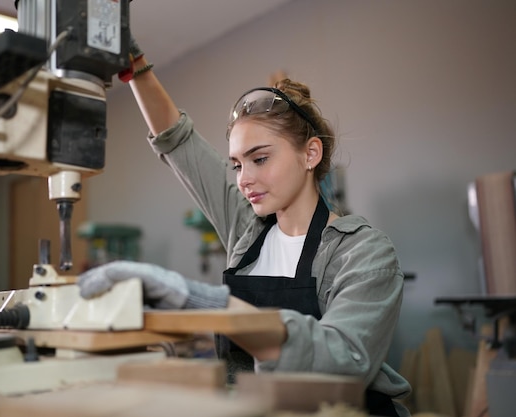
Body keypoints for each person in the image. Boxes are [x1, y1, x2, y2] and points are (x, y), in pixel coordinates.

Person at [78, 36, 411, 417]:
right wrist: (133, 64)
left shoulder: (364, 253)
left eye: (260, 158)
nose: (243, 179)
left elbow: (342, 360)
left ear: (310, 153)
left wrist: (211, 304)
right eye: (237, 164)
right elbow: (179, 142)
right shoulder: (248, 227)